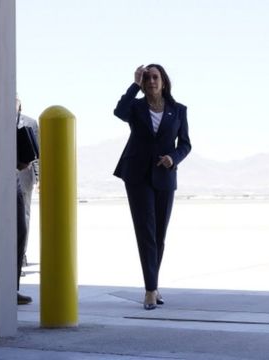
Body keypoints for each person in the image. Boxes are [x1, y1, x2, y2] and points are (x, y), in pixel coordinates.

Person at [113, 64, 191, 310]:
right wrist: (134, 84)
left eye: (155, 77)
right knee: (146, 233)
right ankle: (149, 290)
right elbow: (119, 111)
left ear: (164, 82)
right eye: (146, 78)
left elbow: (186, 144)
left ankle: (153, 285)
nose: (151, 81)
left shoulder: (178, 111)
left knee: (159, 235)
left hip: (165, 177)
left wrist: (173, 158)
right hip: (137, 175)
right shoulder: (135, 107)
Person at [15, 96, 38, 305]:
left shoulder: (28, 121)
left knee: (22, 226)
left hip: (19, 177)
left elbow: (36, 151)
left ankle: (13, 287)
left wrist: (38, 176)